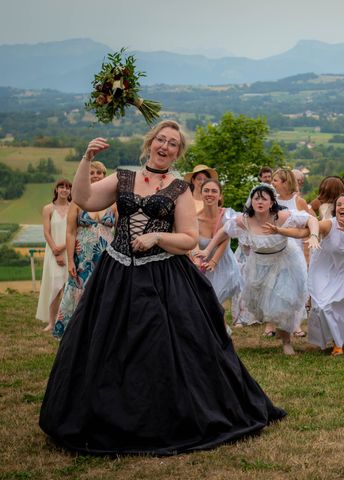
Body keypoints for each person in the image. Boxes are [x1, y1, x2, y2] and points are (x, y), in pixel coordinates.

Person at [39, 120, 285, 455]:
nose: (165, 146)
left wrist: (157, 236)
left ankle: (165, 415)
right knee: (107, 344)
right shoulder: (125, 177)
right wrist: (86, 159)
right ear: (150, 142)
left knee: (163, 346)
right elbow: (85, 199)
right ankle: (106, 412)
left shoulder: (179, 189)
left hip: (162, 276)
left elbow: (186, 239)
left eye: (172, 143)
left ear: (178, 152)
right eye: (161, 139)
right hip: (117, 275)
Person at [205, 184, 320, 355]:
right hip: (258, 264)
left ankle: (287, 341)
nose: (259, 201)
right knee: (261, 306)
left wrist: (313, 235)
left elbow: (310, 219)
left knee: (284, 301)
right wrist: (207, 250)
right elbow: (224, 232)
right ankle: (278, 329)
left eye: (264, 198)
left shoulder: (282, 216)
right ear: (251, 201)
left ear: (272, 202)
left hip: (285, 262)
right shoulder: (244, 220)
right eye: (256, 198)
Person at [52, 162, 116, 338]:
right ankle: (76, 333)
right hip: (83, 255)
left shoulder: (114, 202)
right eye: (91, 173)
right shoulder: (78, 201)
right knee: (79, 290)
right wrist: (71, 259)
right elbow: (70, 232)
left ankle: (102, 331)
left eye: (99, 173)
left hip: (107, 255)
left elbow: (120, 232)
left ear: (104, 176)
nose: (95, 175)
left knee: (103, 291)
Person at [306, 193, 344, 356]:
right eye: (339, 204)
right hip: (326, 273)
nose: (342, 207)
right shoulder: (329, 224)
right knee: (324, 306)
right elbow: (313, 225)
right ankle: (338, 341)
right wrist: (312, 234)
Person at [271, 168, 315, 337]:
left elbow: (311, 223)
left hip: (295, 249)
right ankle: (275, 323)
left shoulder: (299, 201)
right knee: (277, 288)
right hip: (276, 249)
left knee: (296, 288)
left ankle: (295, 325)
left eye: (275, 180)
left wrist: (306, 250)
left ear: (285, 182)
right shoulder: (272, 201)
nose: (272, 183)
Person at [191, 178, 242, 306]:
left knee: (216, 303)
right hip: (203, 266)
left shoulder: (227, 215)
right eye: (206, 190)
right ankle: (220, 326)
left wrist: (214, 261)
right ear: (201, 194)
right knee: (205, 304)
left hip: (223, 262)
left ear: (220, 196)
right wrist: (196, 260)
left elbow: (225, 239)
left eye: (214, 191)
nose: (210, 194)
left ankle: (220, 325)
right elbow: (193, 242)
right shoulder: (194, 219)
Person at [36, 179, 71, 332]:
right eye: (61, 187)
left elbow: (74, 232)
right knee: (55, 287)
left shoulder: (73, 208)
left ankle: (66, 321)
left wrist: (62, 248)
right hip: (52, 252)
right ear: (56, 189)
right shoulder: (48, 209)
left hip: (69, 251)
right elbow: (46, 232)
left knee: (68, 288)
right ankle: (51, 322)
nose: (65, 190)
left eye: (68, 188)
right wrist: (55, 250)